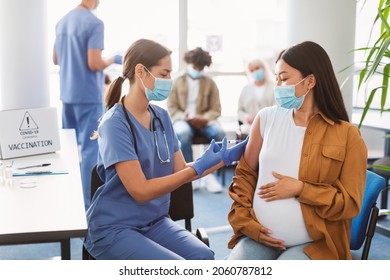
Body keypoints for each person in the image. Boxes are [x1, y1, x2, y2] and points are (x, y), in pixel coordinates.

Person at [83, 39, 248, 260]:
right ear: (141, 71)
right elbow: (140, 191)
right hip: (115, 227)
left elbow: (179, 170)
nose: (169, 80)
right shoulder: (114, 123)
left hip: (154, 221)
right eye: (164, 73)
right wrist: (197, 169)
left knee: (203, 257)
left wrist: (221, 160)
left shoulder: (161, 117)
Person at [227, 41, 368, 260]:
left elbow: (349, 204)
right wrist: (249, 224)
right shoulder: (265, 118)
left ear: (310, 81)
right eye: (276, 78)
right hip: (259, 236)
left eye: (284, 78)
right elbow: (244, 175)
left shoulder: (348, 135)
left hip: (314, 244)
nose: (277, 85)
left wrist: (301, 189)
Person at [52, 0, 123, 210]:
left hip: (67, 94)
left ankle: (69, 201)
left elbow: (56, 59)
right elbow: (94, 63)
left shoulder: (62, 21)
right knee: (90, 152)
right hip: (87, 95)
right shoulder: (94, 23)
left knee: (70, 151)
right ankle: (87, 206)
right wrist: (112, 59)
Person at [167, 47, 226, 192]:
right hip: (183, 120)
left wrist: (204, 118)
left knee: (219, 134)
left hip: (205, 120)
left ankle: (210, 174)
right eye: (195, 67)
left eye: (201, 68)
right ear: (188, 63)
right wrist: (185, 117)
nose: (198, 70)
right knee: (183, 133)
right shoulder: (176, 81)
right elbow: (172, 108)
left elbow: (216, 108)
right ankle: (189, 173)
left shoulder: (210, 83)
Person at [237, 59, 275, 138]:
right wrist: (247, 117)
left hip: (270, 127)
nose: (255, 72)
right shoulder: (246, 89)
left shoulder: (274, 87)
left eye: (257, 68)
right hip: (249, 129)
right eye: (252, 70)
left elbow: (277, 109)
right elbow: (239, 111)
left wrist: (261, 117)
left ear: (263, 68)